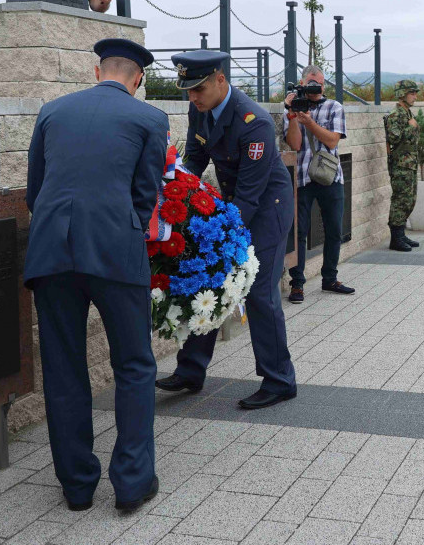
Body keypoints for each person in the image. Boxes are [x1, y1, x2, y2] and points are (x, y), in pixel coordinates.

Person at [25, 38, 167, 513]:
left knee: (63, 369)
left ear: (96, 71)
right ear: (138, 78)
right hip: (114, 249)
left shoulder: (53, 110)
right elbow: (145, 195)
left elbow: (35, 188)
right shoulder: (150, 119)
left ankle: (77, 487)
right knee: (133, 363)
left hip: (51, 251)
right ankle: (131, 482)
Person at [157, 49, 297, 410]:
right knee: (207, 279)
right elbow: (195, 158)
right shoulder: (200, 108)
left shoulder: (254, 122)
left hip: (267, 208)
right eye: (188, 90)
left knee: (260, 292)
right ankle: (191, 371)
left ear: (221, 80)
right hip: (233, 204)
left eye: (199, 89)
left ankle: (280, 380)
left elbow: (250, 195)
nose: (192, 97)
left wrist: (218, 236)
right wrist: (180, 190)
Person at [284, 65, 354, 304]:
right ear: (302, 84)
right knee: (299, 233)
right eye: (312, 83)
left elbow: (332, 142)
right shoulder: (293, 108)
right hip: (302, 178)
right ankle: (297, 284)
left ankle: (330, 279)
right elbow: (295, 145)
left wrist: (310, 123)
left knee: (334, 229)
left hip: (329, 176)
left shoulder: (334, 107)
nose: (317, 88)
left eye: (321, 84)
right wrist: (293, 117)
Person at [386, 80, 421, 250]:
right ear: (402, 94)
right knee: (400, 200)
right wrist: (410, 128)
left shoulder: (407, 113)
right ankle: (395, 238)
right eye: (412, 93)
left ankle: (401, 234)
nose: (415, 96)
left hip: (409, 164)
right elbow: (394, 138)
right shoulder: (396, 114)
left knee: (409, 200)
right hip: (400, 165)